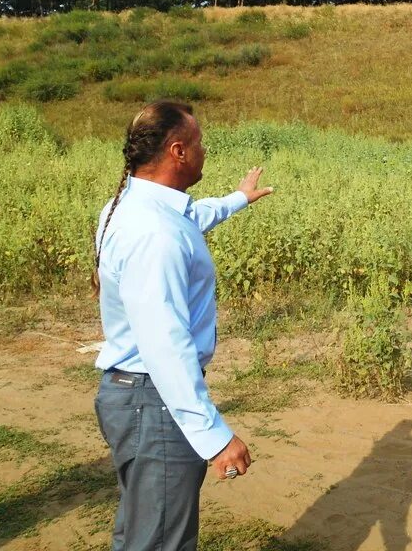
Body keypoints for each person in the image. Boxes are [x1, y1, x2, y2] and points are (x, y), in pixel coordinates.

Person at [93, 100, 273, 550]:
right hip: (153, 401)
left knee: (143, 532)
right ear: (177, 151)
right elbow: (165, 345)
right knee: (160, 541)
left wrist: (239, 198)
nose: (204, 150)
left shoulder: (135, 207)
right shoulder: (155, 234)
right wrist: (214, 437)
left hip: (136, 395)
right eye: (198, 143)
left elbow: (192, 217)